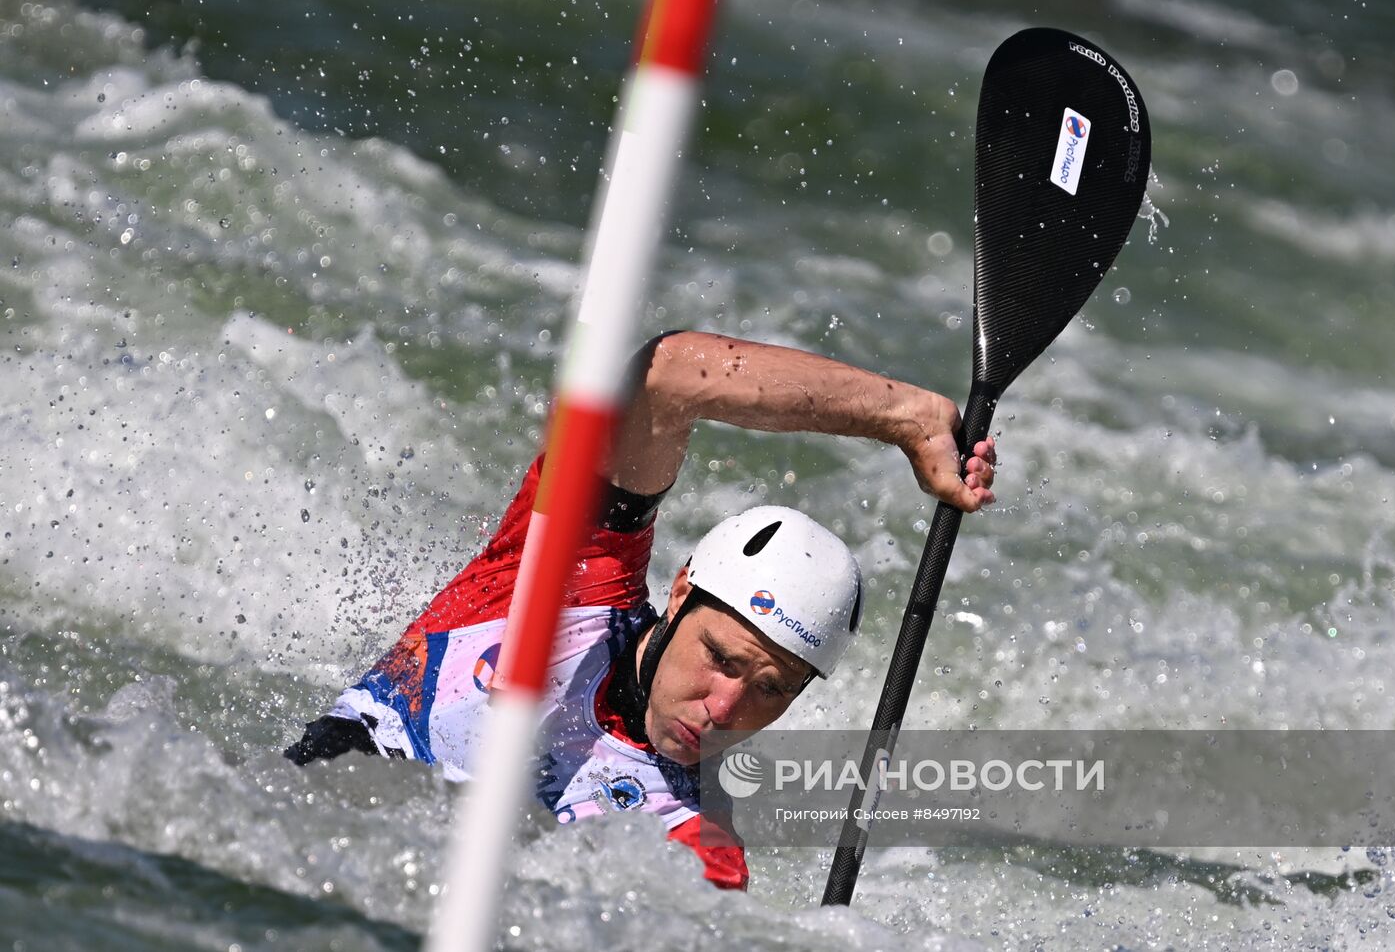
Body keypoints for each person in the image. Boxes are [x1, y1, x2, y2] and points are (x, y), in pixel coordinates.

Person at [285, 330, 997, 889]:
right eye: (721, 658)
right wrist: (906, 417)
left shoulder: (696, 850)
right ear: (681, 591)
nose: (724, 707)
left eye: (772, 689)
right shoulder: (566, 572)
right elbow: (669, 375)